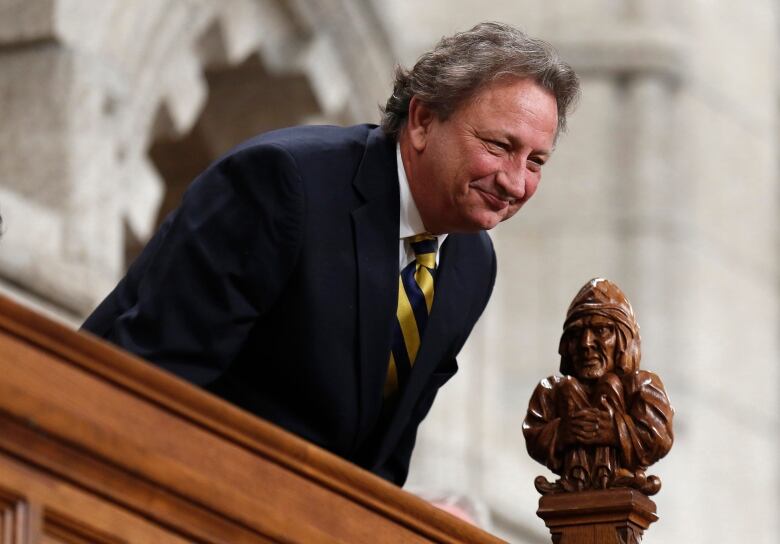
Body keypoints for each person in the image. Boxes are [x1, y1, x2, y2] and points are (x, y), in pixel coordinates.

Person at [83, 22, 580, 486]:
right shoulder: (284, 184)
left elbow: (381, 462)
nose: (516, 182)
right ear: (424, 120)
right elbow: (151, 379)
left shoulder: (473, 263)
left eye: (535, 161)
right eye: (498, 146)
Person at [523, 279, 674, 494]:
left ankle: (607, 472)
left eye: (601, 330)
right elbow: (535, 433)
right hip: (568, 507)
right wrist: (564, 431)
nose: (585, 343)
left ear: (623, 339)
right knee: (568, 388)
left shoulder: (643, 386)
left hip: (621, 500)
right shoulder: (551, 392)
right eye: (576, 334)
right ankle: (577, 474)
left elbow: (658, 436)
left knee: (610, 384)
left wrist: (614, 430)